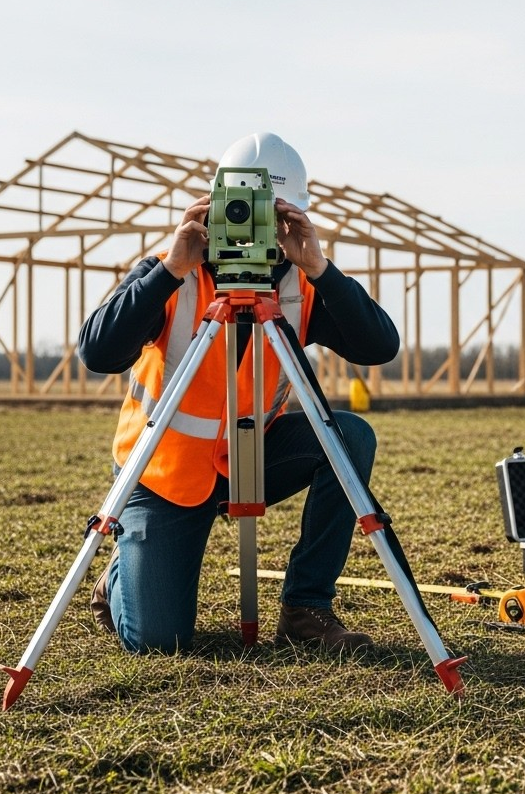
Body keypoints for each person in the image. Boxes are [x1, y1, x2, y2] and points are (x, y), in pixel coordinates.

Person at [79, 132, 400, 653]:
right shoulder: (171, 270)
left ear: (292, 215)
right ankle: (120, 574)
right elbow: (98, 352)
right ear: (213, 207)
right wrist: (170, 270)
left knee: (351, 437)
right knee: (159, 641)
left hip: (249, 459)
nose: (253, 228)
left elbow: (379, 345)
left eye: (270, 214)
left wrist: (319, 266)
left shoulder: (300, 284)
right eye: (242, 211)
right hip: (163, 474)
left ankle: (306, 610)